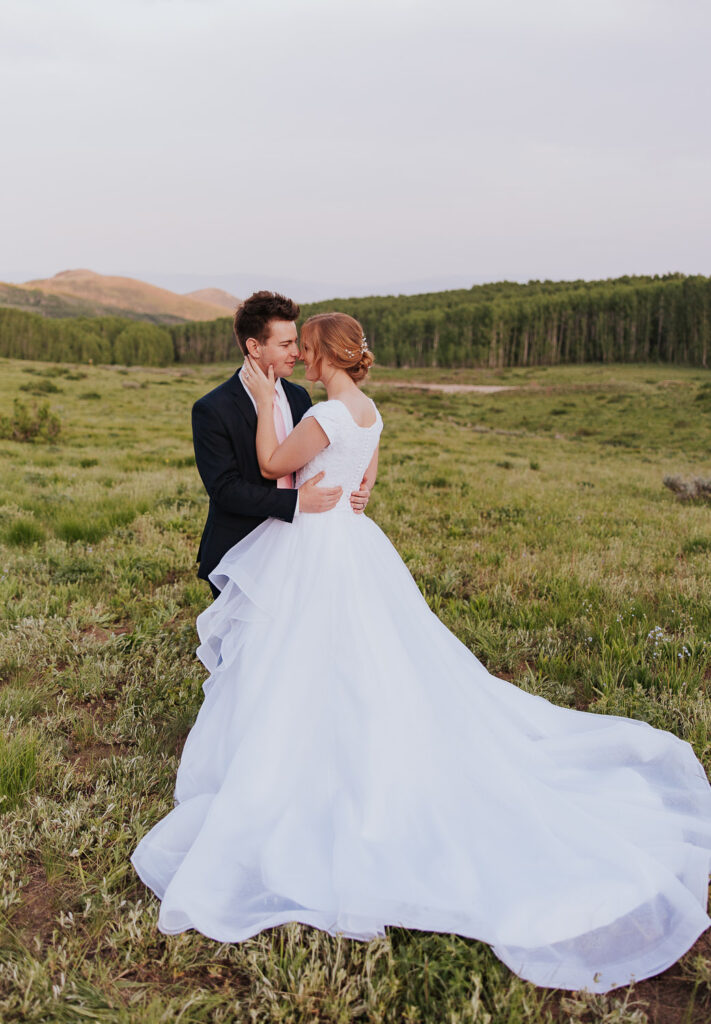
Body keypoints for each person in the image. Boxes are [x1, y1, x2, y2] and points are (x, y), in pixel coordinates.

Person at [132, 312, 711, 994]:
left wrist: (264, 404)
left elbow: (268, 464)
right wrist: (353, 484)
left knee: (304, 655)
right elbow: (364, 476)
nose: (302, 359)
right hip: (348, 541)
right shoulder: (367, 412)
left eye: (307, 349)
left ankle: (307, 756)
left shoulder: (320, 414)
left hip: (317, 548)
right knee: (352, 657)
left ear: (326, 355)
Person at [191, 291, 371, 598]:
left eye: (296, 343)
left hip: (303, 546)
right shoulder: (212, 408)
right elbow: (225, 490)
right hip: (240, 550)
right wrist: (298, 502)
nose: (297, 353)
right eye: (285, 344)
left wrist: (355, 488)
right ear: (254, 347)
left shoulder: (300, 397)